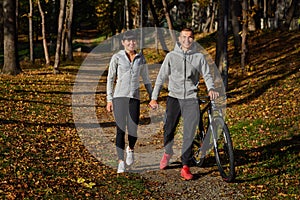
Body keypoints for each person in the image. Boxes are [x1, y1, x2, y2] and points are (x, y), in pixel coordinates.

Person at [149, 28, 219, 180]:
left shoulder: (199, 57)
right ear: (179, 39)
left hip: (191, 98)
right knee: (169, 129)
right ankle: (168, 152)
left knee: (189, 132)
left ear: (193, 39)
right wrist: (154, 98)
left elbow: (206, 74)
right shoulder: (171, 56)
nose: (187, 40)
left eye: (190, 37)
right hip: (174, 97)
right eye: (184, 37)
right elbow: (161, 78)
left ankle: (185, 165)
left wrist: (211, 88)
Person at [106, 31, 152, 173]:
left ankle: (130, 149)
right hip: (119, 97)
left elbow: (146, 79)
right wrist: (109, 98)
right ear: (123, 43)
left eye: (134, 41)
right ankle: (120, 161)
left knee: (133, 129)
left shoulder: (141, 58)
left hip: (134, 97)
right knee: (120, 130)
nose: (131, 43)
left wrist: (152, 97)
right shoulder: (117, 57)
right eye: (128, 41)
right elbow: (110, 78)